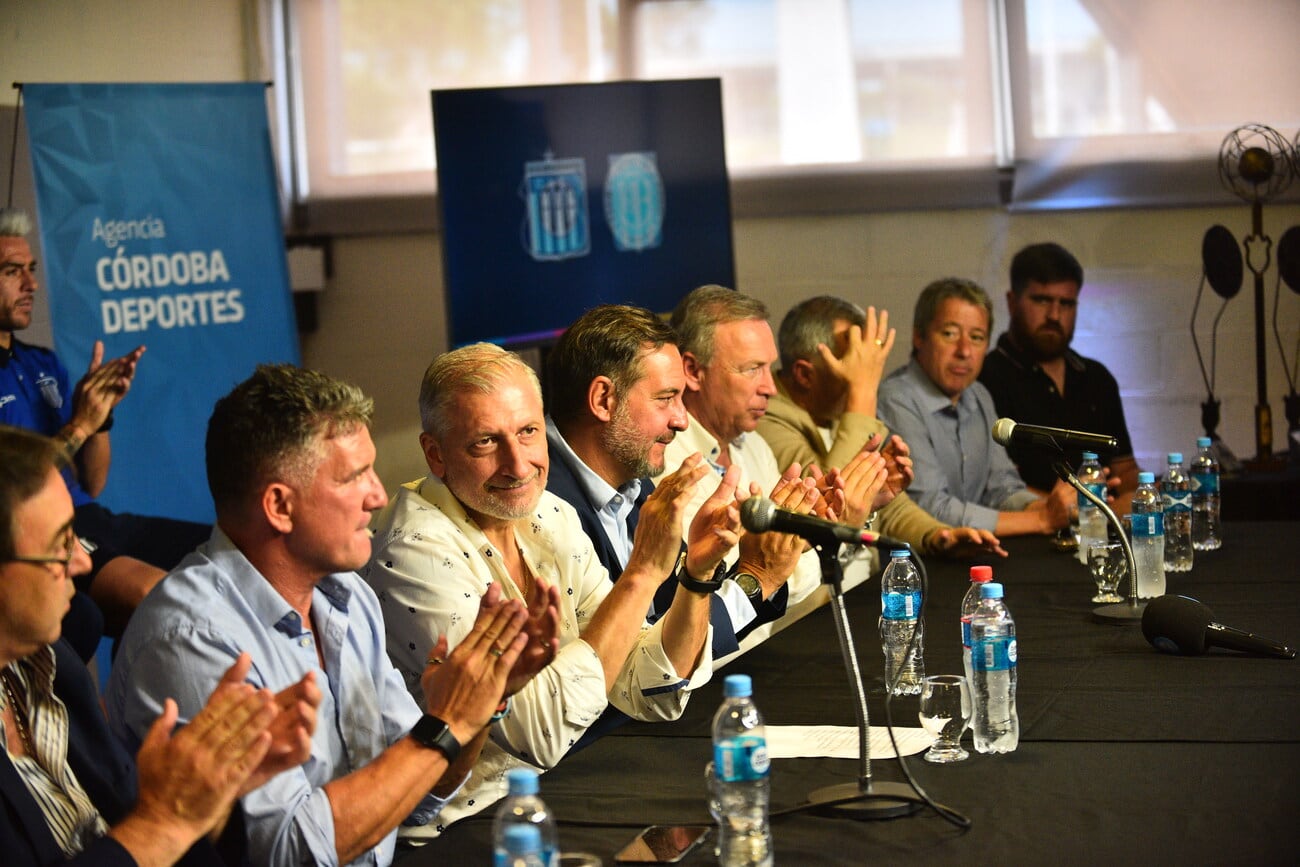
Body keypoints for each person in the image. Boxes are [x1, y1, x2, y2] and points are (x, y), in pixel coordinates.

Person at [107, 364, 550, 866]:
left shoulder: (347, 598)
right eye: (354, 476)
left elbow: (422, 796)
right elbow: (291, 851)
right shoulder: (191, 638)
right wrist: (448, 721)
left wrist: (482, 702)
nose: (378, 496)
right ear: (279, 506)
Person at [365, 343, 733, 837]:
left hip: (551, 800)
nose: (518, 466)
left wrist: (696, 576)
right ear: (436, 454)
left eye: (528, 432)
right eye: (485, 443)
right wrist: (643, 572)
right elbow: (540, 734)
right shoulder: (413, 551)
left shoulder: (547, 513)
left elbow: (650, 687)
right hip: (461, 836)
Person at [0, 424, 318, 866]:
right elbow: (148, 831)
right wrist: (166, 819)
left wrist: (216, 791)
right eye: (59, 546)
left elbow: (140, 835)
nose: (83, 561)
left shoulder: (52, 665)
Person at [0, 208, 209, 641]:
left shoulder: (41, 362)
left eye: (32, 271)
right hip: (41, 532)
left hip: (92, 514)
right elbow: (13, 490)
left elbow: (92, 483)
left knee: (225, 552)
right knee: (157, 596)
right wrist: (80, 423)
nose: (31, 285)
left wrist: (101, 416)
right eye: (12, 272)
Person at [660, 285, 889, 620]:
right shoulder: (669, 464)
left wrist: (822, 527)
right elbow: (748, 588)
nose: (769, 387)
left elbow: (777, 572)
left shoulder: (753, 446)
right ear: (693, 371)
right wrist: (831, 534)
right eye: (752, 369)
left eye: (769, 368)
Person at [545, 304, 746, 655]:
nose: (682, 421)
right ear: (603, 400)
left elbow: (675, 630)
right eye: (666, 398)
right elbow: (626, 664)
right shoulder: (540, 504)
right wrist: (756, 580)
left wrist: (701, 571)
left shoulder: (634, 482)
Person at [760, 295, 1006, 558]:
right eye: (857, 366)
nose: (870, 376)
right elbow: (827, 507)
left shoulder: (837, 413)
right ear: (805, 375)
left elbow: (891, 510)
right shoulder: (767, 422)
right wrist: (862, 391)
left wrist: (937, 535)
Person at [877, 278, 1073, 536]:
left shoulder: (978, 395)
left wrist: (1053, 506)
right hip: (915, 562)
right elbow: (930, 508)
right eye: (949, 334)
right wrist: (1042, 520)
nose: (964, 351)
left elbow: (1002, 488)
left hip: (972, 553)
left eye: (977, 337)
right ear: (918, 337)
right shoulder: (896, 398)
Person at [979, 242, 1139, 502]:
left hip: (1099, 529)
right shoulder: (984, 378)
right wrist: (1059, 510)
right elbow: (987, 485)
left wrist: (1155, 496)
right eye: (1041, 300)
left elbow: (1126, 470)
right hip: (1025, 532)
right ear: (1012, 302)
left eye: (1066, 303)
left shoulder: (1097, 378)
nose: (1054, 315)